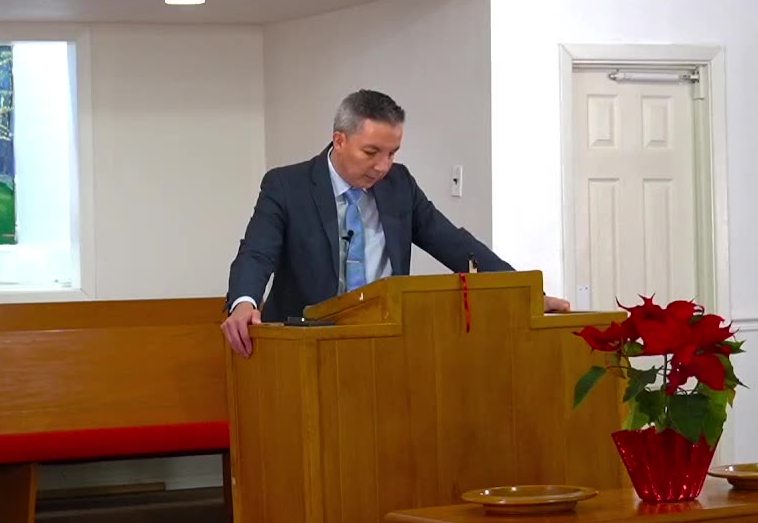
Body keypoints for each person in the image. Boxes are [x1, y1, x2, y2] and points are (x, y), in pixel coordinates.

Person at [221, 89, 571, 357]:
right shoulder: (287, 186)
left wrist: (522, 293)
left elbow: (453, 243)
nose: (382, 166)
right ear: (340, 140)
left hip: (386, 343)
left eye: (392, 153)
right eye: (371, 152)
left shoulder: (399, 185)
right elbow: (257, 253)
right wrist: (244, 303)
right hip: (306, 346)